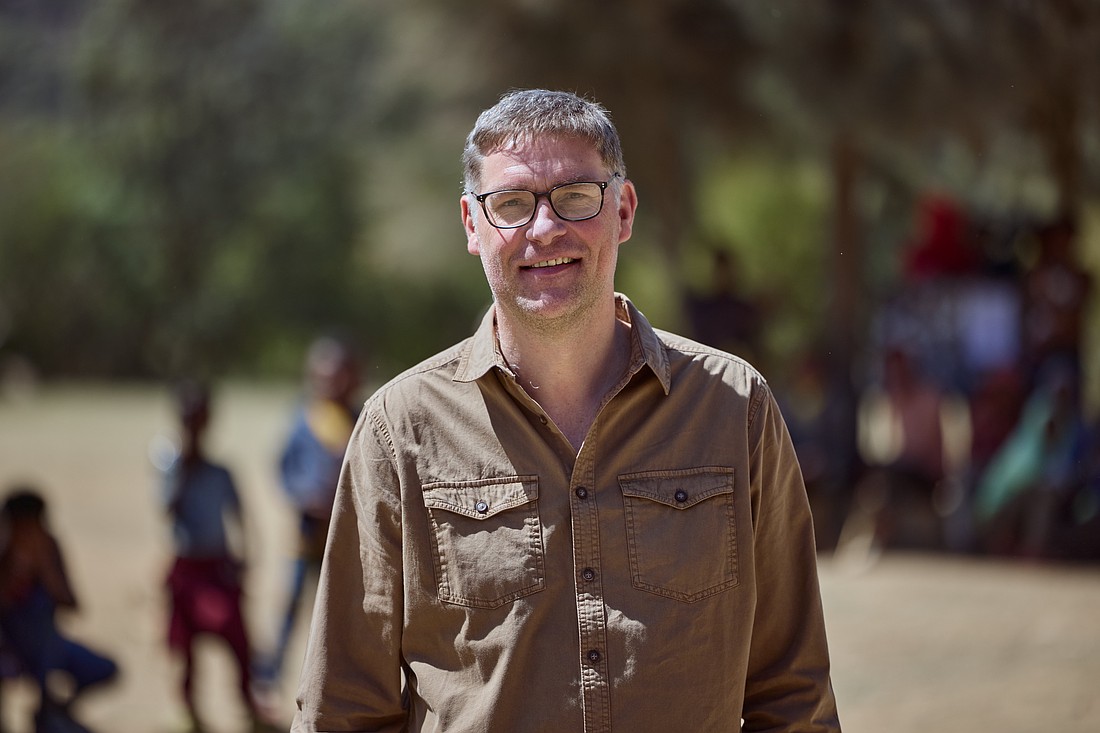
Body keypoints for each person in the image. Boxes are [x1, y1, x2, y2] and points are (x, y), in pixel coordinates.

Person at [292, 89, 840, 732]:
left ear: (624, 210)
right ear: (472, 225)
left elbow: (792, 693)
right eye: (512, 205)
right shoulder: (400, 429)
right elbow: (343, 707)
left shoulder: (734, 407)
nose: (545, 229)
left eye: (576, 196)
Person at [159, 381, 261, 732]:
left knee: (238, 638)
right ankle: (189, 710)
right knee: (185, 647)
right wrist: (185, 467)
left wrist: (245, 556)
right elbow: (166, 509)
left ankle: (248, 703)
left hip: (217, 565)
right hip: (187, 567)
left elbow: (240, 514)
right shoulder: (169, 461)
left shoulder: (220, 470)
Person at [259, 336, 360, 687]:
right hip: (305, 536)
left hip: (347, 538)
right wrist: (303, 496)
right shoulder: (304, 419)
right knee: (289, 607)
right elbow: (283, 467)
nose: (334, 384)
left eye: (342, 376)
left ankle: (336, 678)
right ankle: (269, 677)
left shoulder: (361, 418)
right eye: (326, 376)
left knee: (340, 611)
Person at [0, 486, 117, 732]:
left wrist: (45, 572)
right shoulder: (5, 554)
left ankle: (53, 711)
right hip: (10, 649)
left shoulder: (49, 550)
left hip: (48, 647)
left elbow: (72, 603)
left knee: (104, 668)